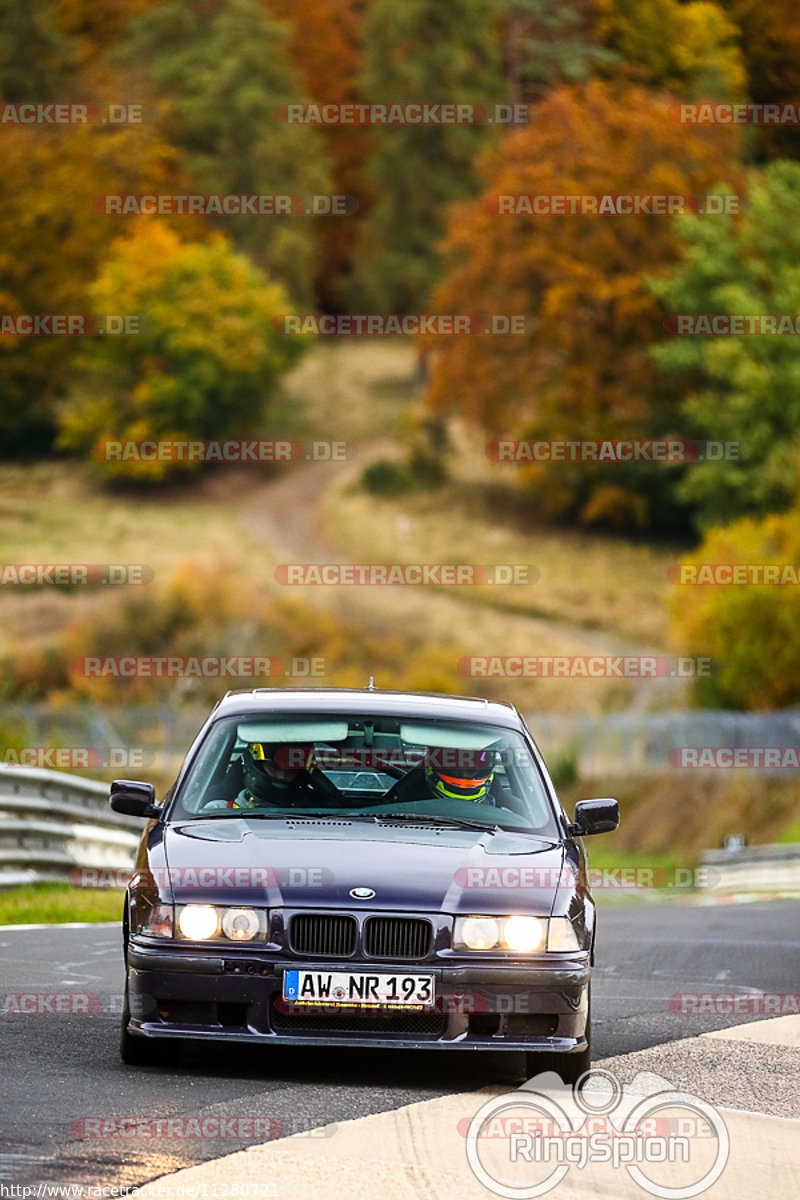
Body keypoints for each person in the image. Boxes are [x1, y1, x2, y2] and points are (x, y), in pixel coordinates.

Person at [230, 742, 337, 809]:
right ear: (258, 767)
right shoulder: (219, 811)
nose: (282, 777)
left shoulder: (320, 814)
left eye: (291, 771)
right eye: (274, 768)